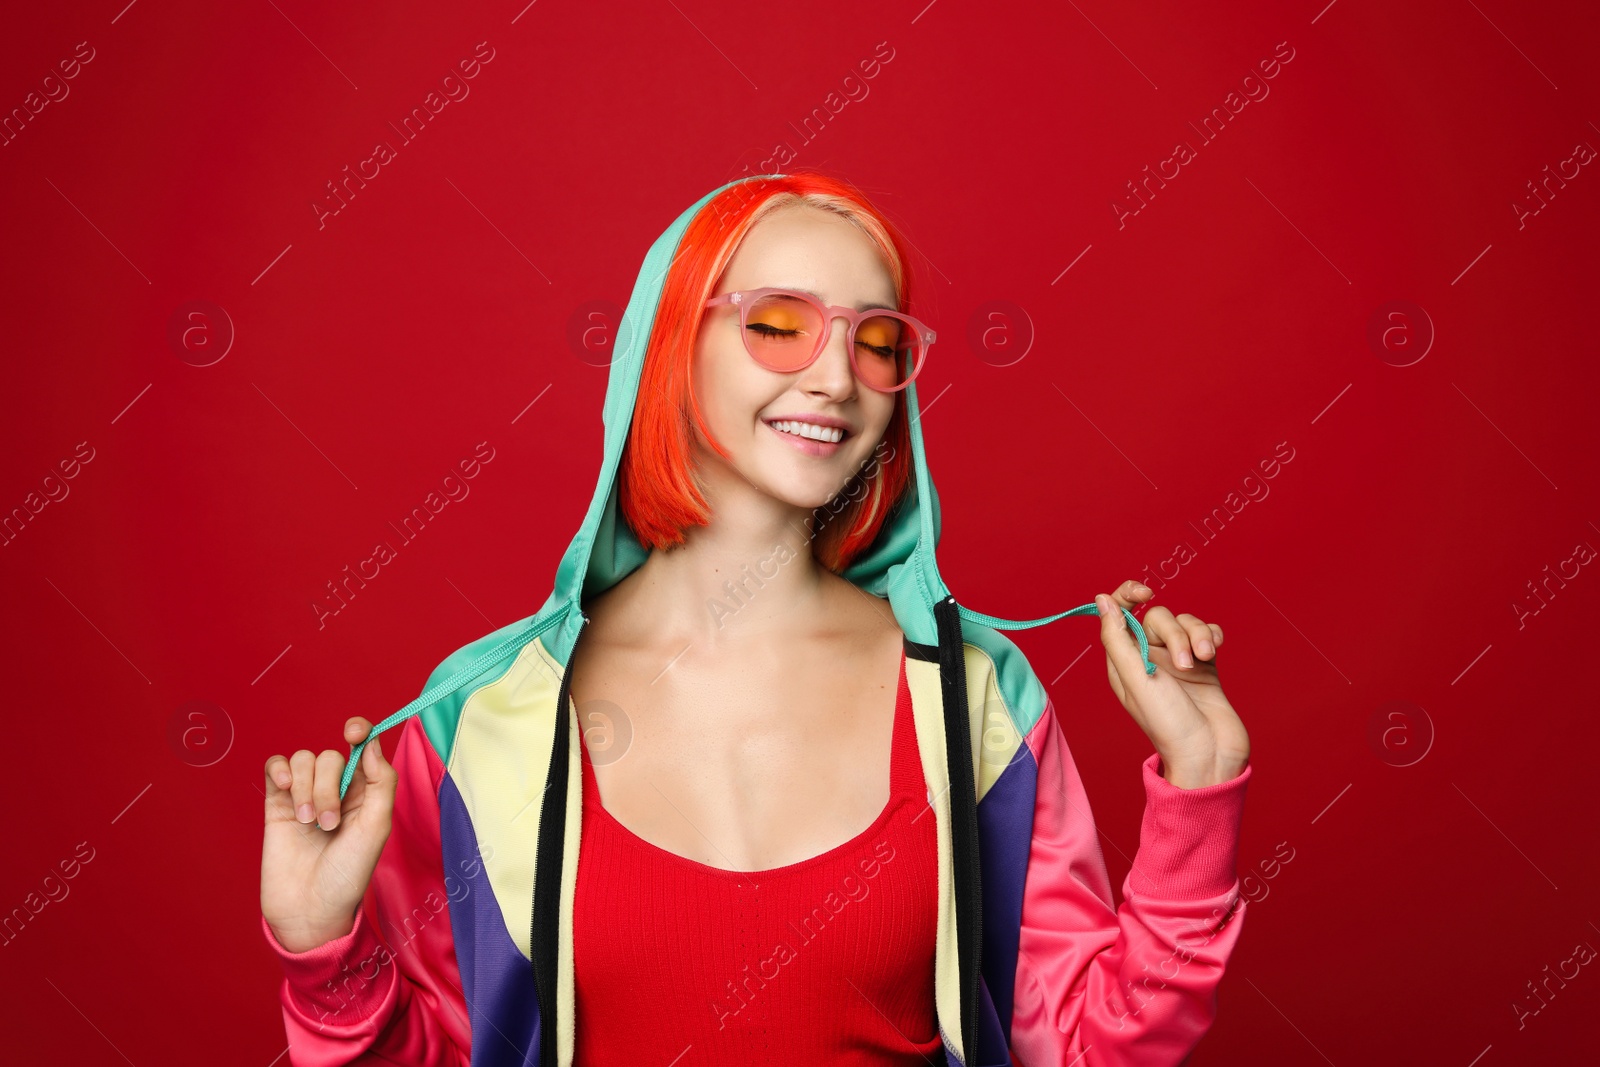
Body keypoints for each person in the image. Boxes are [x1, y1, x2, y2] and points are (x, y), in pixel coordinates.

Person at [260, 171, 1252, 1067]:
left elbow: (1084, 1048)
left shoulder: (974, 695)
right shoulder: (478, 718)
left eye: (875, 342)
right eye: (779, 324)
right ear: (666, 343)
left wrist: (1198, 785)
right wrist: (321, 953)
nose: (835, 378)